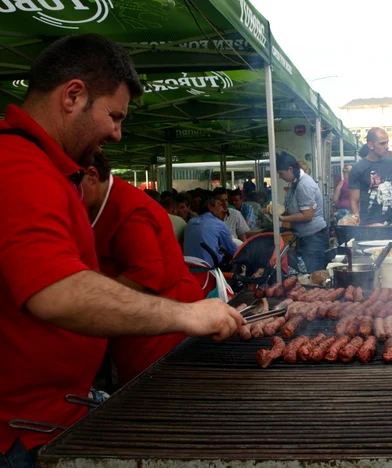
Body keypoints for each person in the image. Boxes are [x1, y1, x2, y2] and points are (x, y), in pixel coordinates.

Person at [0, 34, 242, 466]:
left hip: (51, 414)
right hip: (21, 431)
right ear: (73, 96)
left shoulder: (47, 169)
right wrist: (187, 314)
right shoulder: (18, 166)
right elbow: (58, 291)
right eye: (113, 116)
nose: (117, 133)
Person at [82, 153, 204, 384]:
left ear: (91, 176)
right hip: (143, 319)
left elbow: (145, 275)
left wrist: (86, 296)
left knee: (153, 390)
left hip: (161, 324)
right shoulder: (97, 204)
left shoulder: (128, 210)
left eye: (70, 183)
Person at [276, 152, 329, 273]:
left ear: (290, 169)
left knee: (313, 275)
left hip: (313, 237)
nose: (280, 177)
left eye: (281, 174)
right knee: (307, 274)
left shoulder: (304, 184)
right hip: (306, 236)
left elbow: (307, 215)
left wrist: (283, 219)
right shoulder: (295, 183)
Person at [349, 127, 392, 226]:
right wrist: (358, 225)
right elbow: (354, 201)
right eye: (382, 143)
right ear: (371, 145)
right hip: (369, 226)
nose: (387, 147)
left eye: (387, 142)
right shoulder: (358, 169)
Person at [183, 191, 238, 267]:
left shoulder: (190, 223)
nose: (223, 209)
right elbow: (233, 250)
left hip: (189, 267)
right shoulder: (219, 224)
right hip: (209, 270)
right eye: (220, 205)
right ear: (210, 207)